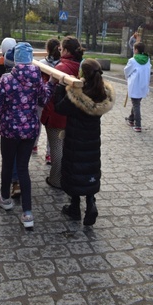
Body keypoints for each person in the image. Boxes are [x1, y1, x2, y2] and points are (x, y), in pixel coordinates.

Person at [0, 42, 54, 228]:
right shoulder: (37, 79)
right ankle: (27, 213)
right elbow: (44, 99)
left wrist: (5, 118)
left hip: (9, 130)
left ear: (16, 60)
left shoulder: (6, 79)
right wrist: (50, 84)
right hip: (29, 131)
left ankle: (5, 199)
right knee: (23, 168)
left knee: (7, 165)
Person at [54, 58, 115, 226]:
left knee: (74, 171)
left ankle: (74, 208)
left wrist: (60, 87)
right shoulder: (102, 92)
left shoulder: (76, 95)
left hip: (75, 141)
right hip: (92, 141)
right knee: (89, 169)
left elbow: (59, 107)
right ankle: (91, 204)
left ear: (82, 73)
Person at [41, 36, 84, 189]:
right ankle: (67, 176)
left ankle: (56, 180)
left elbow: (50, 92)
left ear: (65, 50)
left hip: (57, 114)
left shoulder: (61, 68)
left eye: (62, 49)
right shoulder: (81, 66)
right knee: (67, 147)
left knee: (57, 148)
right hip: (74, 115)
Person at [38, 37, 61, 165]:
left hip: (42, 97)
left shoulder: (41, 63)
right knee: (51, 127)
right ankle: (49, 154)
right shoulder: (62, 65)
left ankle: (34, 146)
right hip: (55, 99)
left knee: (38, 122)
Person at [124, 41, 151, 132]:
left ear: (136, 50)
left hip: (135, 84)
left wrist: (127, 78)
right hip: (143, 84)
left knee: (136, 104)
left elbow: (127, 71)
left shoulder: (133, 60)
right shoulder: (147, 59)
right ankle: (131, 119)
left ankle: (138, 124)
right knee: (136, 102)